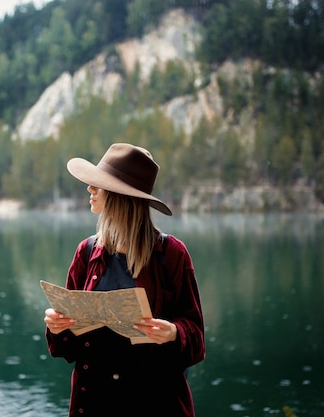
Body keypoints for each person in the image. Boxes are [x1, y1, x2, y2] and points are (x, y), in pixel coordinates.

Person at [44, 143, 205, 417]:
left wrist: (174, 333)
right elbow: (65, 350)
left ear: (120, 196)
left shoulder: (172, 254)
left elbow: (197, 340)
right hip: (94, 404)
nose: (90, 189)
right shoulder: (86, 252)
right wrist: (57, 327)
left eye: (98, 184)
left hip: (155, 405)